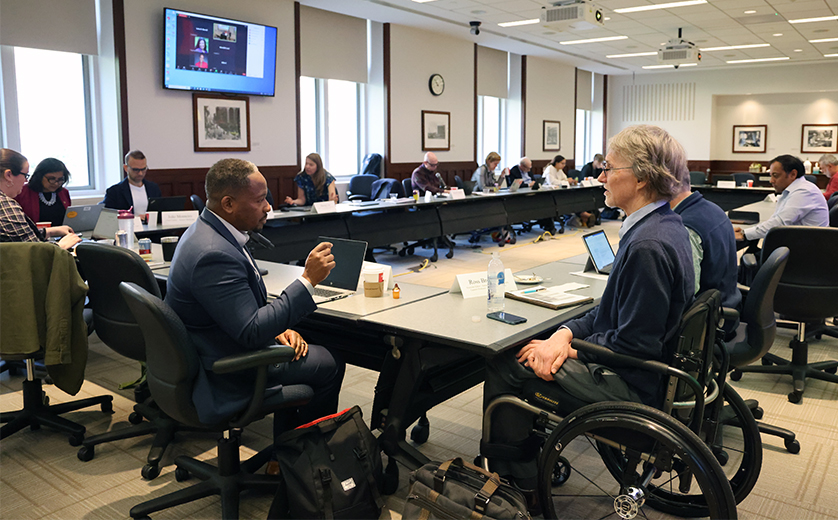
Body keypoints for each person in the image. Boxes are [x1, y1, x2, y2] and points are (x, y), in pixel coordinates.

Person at [482, 125, 693, 501]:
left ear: (641, 177)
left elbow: (634, 346)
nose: (600, 176)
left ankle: (517, 484)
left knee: (506, 362)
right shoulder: (663, 226)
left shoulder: (648, 246)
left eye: (610, 168)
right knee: (542, 342)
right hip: (636, 365)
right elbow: (608, 312)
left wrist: (568, 350)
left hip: (632, 381)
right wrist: (563, 335)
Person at [165, 157, 345, 432]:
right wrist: (308, 280)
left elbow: (241, 310)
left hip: (216, 343)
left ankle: (283, 452)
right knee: (331, 363)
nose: (268, 207)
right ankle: (304, 456)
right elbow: (250, 331)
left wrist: (277, 329)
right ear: (228, 204)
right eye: (260, 200)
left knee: (310, 344)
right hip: (225, 367)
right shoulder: (213, 254)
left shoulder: (207, 231)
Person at [671, 164, 741, 337]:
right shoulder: (713, 209)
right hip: (728, 305)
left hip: (708, 325)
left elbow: (684, 297)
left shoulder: (687, 226)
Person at [733, 155, 828, 244]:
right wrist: (744, 231)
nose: (771, 180)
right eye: (771, 175)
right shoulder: (793, 190)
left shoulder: (805, 191)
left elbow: (779, 223)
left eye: (775, 175)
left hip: (806, 251)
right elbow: (776, 220)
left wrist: (744, 234)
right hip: (800, 244)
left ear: (793, 174)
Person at [0, 149, 80, 249]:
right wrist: (61, 246)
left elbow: (20, 235)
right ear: (8, 175)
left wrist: (50, 231)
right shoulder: (5, 205)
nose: (26, 180)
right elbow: (36, 252)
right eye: (25, 175)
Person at [14, 157, 72, 227]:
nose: (56, 183)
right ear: (39, 176)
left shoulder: (63, 192)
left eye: (60, 179)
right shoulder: (22, 192)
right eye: (51, 179)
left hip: (62, 236)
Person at [103, 150, 162, 216]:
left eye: (143, 169)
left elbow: (160, 212)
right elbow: (107, 216)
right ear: (126, 168)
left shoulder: (153, 188)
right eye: (136, 170)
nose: (140, 173)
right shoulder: (114, 191)